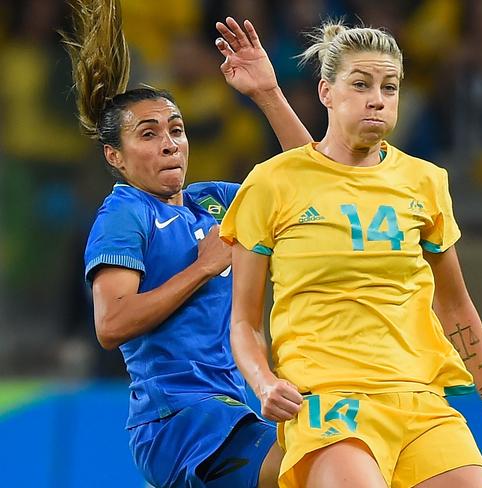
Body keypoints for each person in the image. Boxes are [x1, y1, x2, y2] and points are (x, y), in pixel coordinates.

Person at [221, 21, 482, 488]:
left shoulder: (425, 181)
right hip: (330, 404)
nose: (377, 98)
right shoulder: (271, 182)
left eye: (390, 87)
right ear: (326, 92)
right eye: (360, 84)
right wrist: (264, 382)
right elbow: (243, 320)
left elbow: (458, 309)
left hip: (422, 402)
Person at [63, 1, 311, 487]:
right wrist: (202, 268)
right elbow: (111, 324)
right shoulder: (125, 214)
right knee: (317, 466)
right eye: (149, 134)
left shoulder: (214, 202)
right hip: (179, 421)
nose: (170, 143)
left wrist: (267, 93)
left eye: (176, 130)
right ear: (115, 156)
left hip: (235, 409)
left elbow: (312, 181)